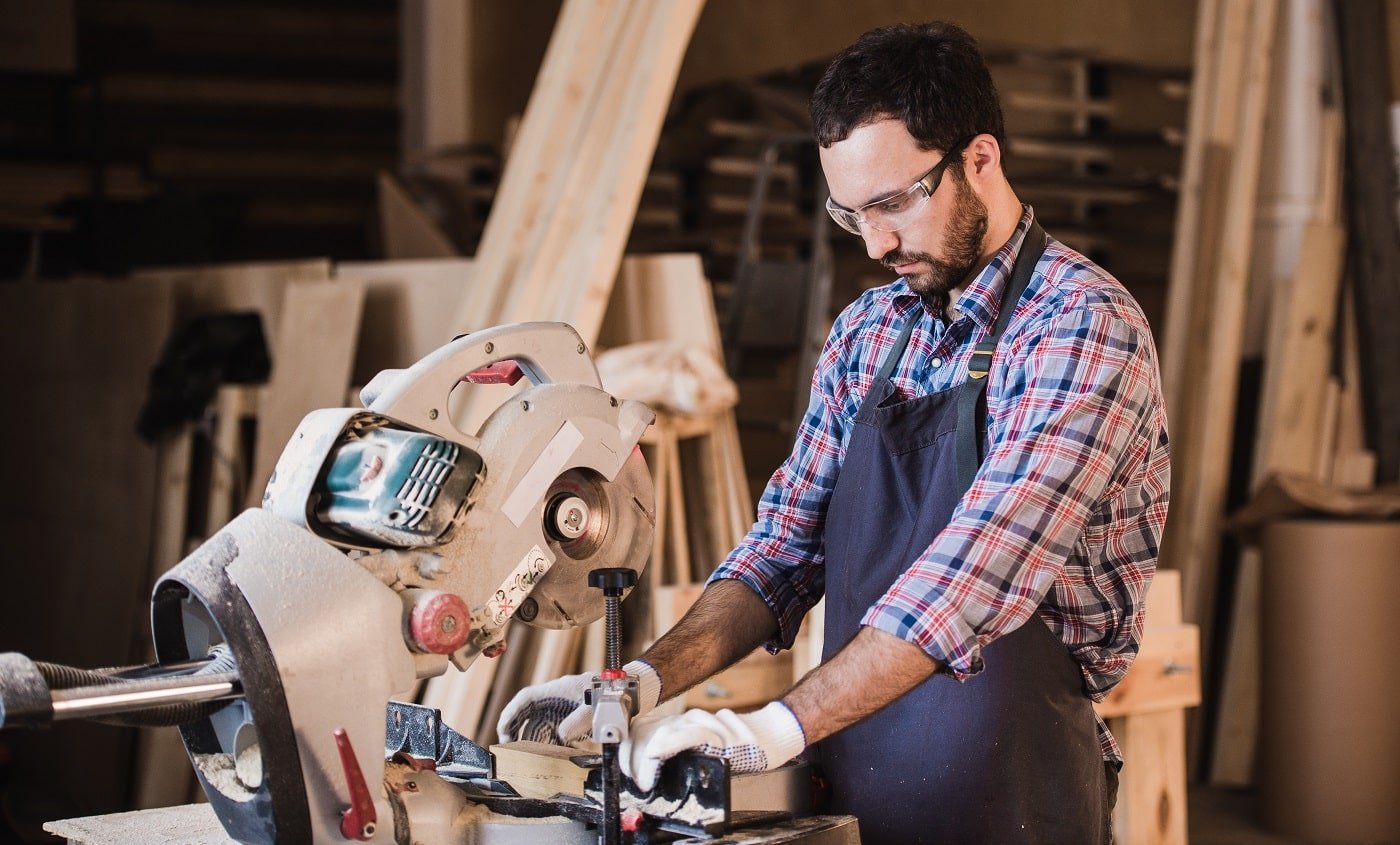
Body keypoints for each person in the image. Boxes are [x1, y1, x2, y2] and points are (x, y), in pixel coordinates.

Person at [499, 20, 1170, 844]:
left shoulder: (1081, 327)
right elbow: (782, 551)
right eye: (851, 214)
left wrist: (765, 730)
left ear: (981, 160)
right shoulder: (868, 333)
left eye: (893, 204)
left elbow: (972, 578)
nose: (877, 243)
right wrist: (634, 682)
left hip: (1013, 794)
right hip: (855, 773)